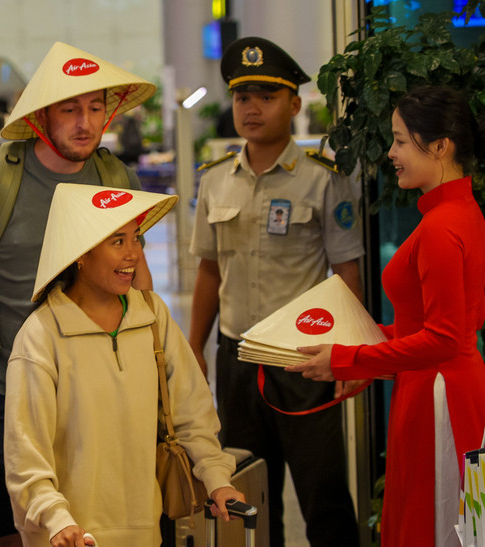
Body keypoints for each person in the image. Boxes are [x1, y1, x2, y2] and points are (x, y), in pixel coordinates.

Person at [0, 41, 156, 546]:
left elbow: (137, 275)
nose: (85, 123)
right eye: (70, 109)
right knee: (10, 530)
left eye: (95, 108)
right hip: (3, 387)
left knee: (90, 524)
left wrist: (156, 356)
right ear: (41, 116)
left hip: (97, 388)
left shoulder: (115, 179)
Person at [287, 85, 485, 547]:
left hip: (436, 393)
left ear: (440, 146)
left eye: (399, 140)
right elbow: (440, 328)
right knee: (453, 520)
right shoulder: (461, 211)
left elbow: (442, 337)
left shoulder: (441, 226)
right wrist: (355, 348)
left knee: (432, 525)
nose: (391, 153)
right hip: (443, 384)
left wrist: (347, 360)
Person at [188, 37, 363, 546]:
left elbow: (345, 272)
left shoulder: (322, 181)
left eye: (266, 96)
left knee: (323, 492)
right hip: (237, 358)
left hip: (303, 360)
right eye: (242, 97)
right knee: (248, 495)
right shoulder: (216, 181)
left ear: (294, 104)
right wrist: (196, 347)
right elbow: (207, 270)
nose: (251, 108)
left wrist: (352, 355)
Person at [4, 183, 244, 546]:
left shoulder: (152, 316)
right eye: (117, 241)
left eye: (136, 238)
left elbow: (192, 413)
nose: (133, 253)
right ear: (79, 253)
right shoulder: (41, 336)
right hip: (70, 537)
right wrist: (55, 518)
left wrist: (217, 478)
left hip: (146, 531)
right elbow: (25, 454)